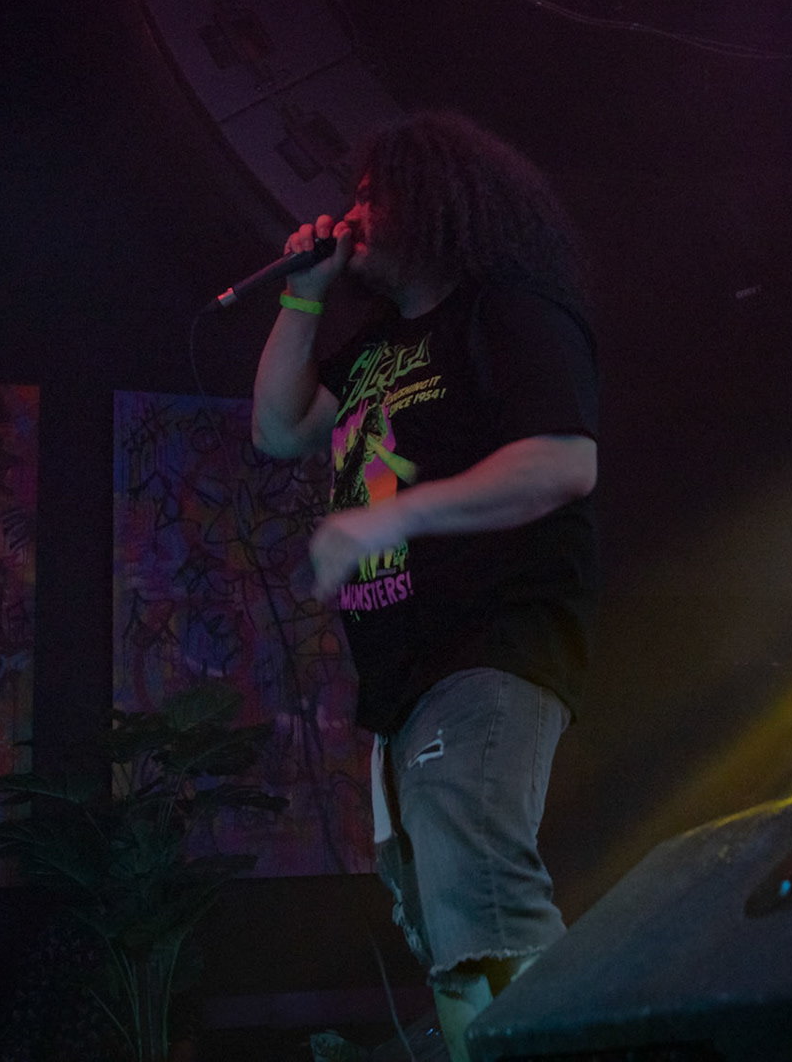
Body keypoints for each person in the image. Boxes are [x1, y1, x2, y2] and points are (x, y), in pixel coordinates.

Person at [251, 112, 597, 1061]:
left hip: (490, 645)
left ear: (436, 203)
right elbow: (279, 428)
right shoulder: (376, 348)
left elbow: (563, 463)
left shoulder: (510, 311)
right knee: (440, 915)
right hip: (404, 675)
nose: (352, 212)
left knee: (480, 893)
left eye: (373, 194)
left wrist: (395, 515)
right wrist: (303, 295)